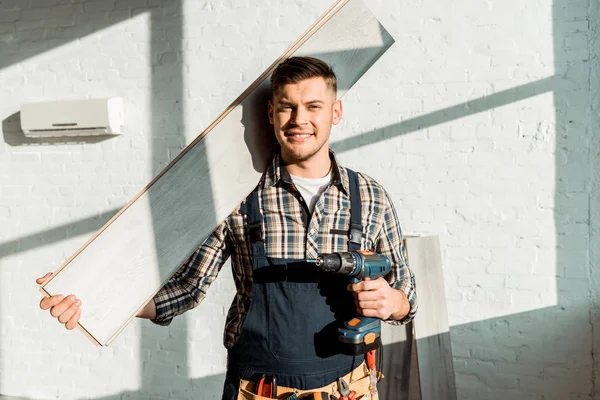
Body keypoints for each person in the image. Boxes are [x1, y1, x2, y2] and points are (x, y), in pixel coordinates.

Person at [37, 57, 417, 400]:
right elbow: (186, 289)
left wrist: (394, 302)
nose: (300, 119)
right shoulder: (239, 198)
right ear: (271, 113)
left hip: (349, 389)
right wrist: (98, 298)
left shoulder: (369, 196)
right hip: (258, 392)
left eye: (313, 106)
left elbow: (408, 293)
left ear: (336, 112)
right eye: (288, 106)